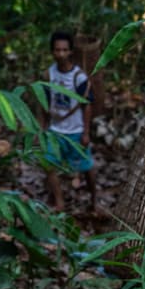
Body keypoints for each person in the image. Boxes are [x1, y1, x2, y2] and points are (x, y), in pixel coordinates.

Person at [39, 31, 97, 213]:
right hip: (55, 130)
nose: (61, 54)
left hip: (75, 131)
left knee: (86, 168)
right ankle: (59, 202)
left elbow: (87, 105)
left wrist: (86, 132)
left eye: (64, 50)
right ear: (52, 52)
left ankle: (94, 199)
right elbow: (43, 103)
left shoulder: (79, 77)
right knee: (48, 165)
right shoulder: (48, 75)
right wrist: (41, 129)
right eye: (57, 50)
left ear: (71, 51)